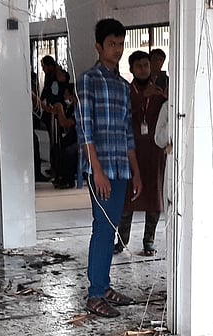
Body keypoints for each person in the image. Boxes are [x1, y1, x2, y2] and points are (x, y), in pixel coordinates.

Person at [77, 18, 143, 318]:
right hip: (99, 167)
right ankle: (94, 294)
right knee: (103, 228)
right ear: (98, 46)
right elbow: (85, 130)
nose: (116, 50)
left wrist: (136, 171)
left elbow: (128, 132)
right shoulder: (88, 80)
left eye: (120, 44)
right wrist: (97, 170)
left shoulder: (122, 85)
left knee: (110, 227)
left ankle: (103, 287)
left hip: (120, 166)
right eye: (111, 44)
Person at [117, 50, 168, 257]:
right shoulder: (125, 91)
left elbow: (168, 116)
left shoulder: (160, 90)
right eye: (139, 66)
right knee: (129, 198)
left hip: (155, 152)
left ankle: (149, 241)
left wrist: (162, 98)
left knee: (154, 198)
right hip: (132, 151)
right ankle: (121, 241)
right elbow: (121, 116)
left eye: (146, 65)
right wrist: (141, 99)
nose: (143, 69)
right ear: (131, 69)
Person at [50, 83, 80, 189]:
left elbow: (65, 123)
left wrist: (60, 109)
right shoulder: (71, 108)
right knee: (58, 147)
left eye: (66, 94)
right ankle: (59, 175)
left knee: (69, 152)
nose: (64, 97)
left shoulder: (79, 109)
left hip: (80, 139)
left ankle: (69, 179)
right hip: (72, 136)